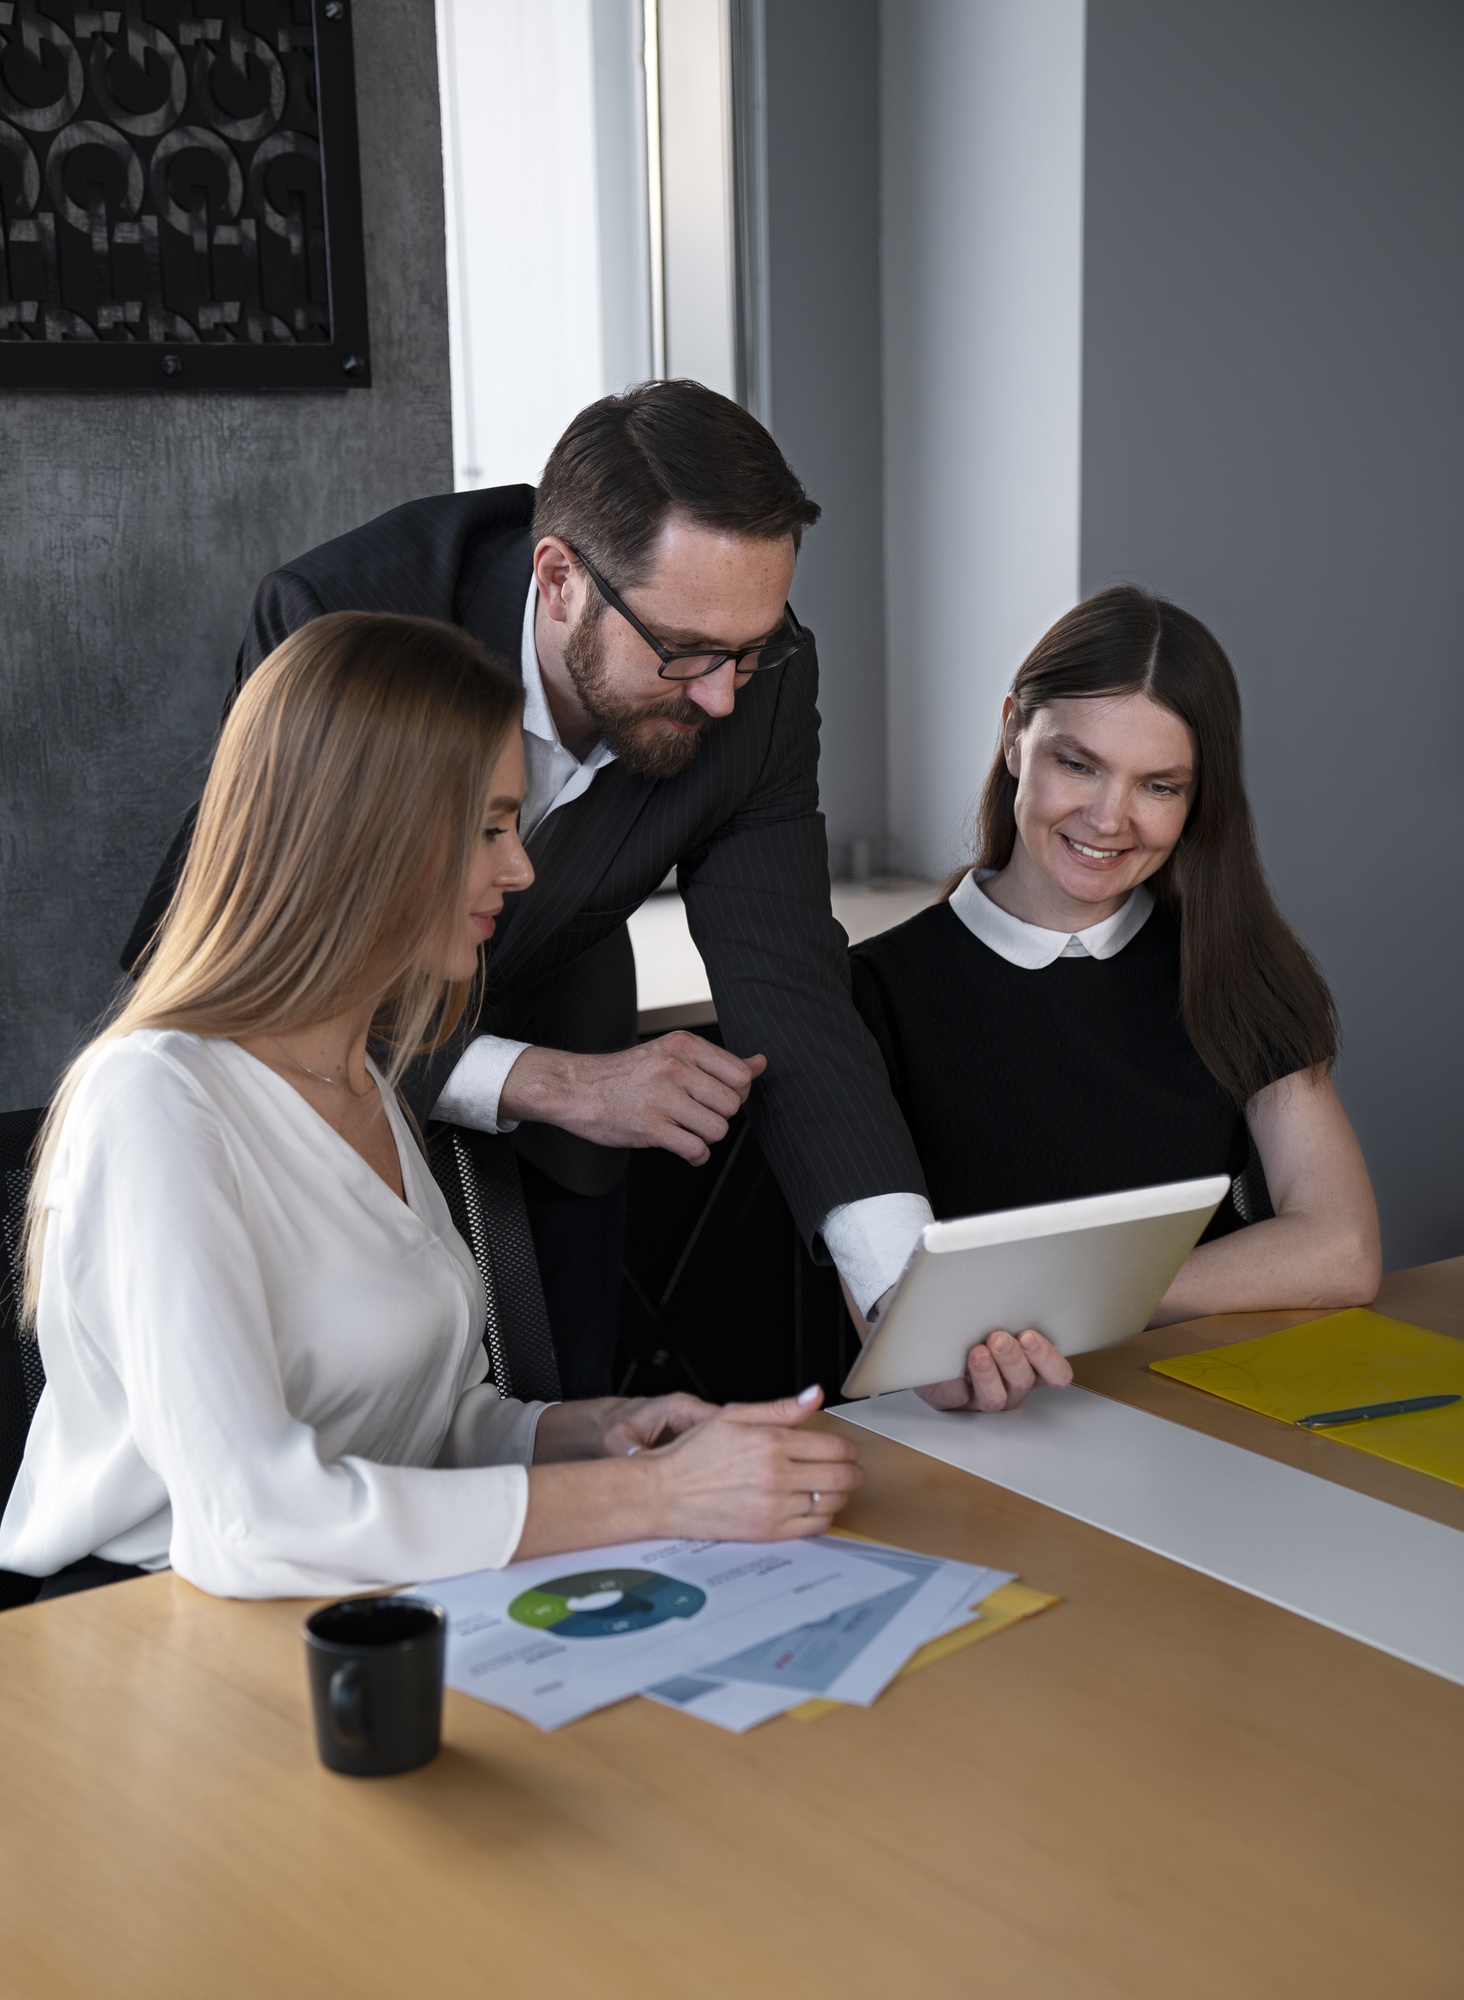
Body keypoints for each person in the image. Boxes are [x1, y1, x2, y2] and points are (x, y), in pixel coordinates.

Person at [0, 614, 861, 1601]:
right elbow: (252, 1522)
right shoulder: (155, 1101)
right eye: (491, 827)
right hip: (131, 1629)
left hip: (350, 1604)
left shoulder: (360, 1078)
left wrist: (599, 1434)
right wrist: (658, 1496)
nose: (522, 868)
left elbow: (423, 1427)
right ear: (361, 834)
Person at [123, 382, 929, 1396]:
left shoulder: (754, 677)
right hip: (324, 1096)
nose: (724, 693)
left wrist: (905, 1293)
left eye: (749, 649)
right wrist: (546, 1079)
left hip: (566, 1110)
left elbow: (797, 994)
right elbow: (231, 957)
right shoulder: (349, 622)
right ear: (559, 581)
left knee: (557, 1431)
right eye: (684, 651)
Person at [846, 585, 1382, 1413]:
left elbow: (1341, 1247)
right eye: (1078, 763)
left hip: (1198, 1407)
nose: (1109, 819)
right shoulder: (873, 992)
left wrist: (1078, 1302)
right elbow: (890, 1324)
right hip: (983, 1427)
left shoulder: (1233, 963)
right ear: (1013, 736)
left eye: (1159, 786)